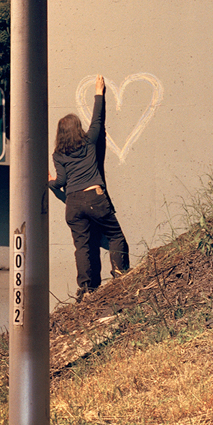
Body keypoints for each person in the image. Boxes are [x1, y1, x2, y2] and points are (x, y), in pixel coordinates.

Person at [49, 77, 129, 298]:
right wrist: (98, 93)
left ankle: (86, 289)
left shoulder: (58, 154)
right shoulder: (89, 142)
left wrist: (49, 181)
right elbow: (97, 121)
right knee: (115, 236)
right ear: (78, 129)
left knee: (83, 247)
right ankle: (120, 276)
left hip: (73, 204)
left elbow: (60, 182)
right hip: (94, 198)